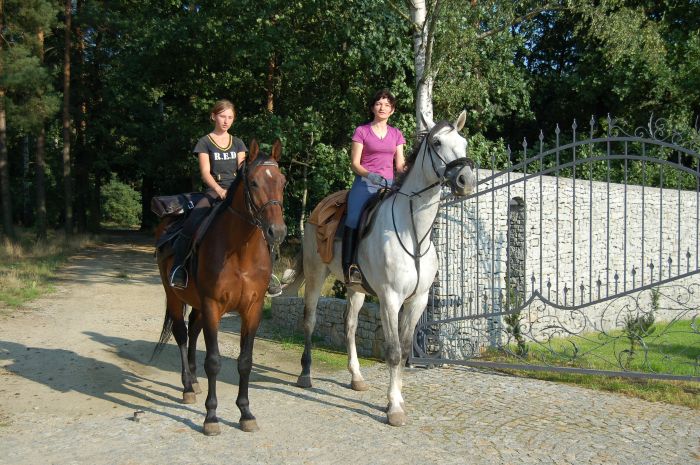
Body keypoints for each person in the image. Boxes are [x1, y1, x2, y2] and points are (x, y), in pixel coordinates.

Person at [169, 99, 282, 296]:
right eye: (222, 116)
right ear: (213, 116)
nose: (226, 121)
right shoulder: (204, 142)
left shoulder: (238, 143)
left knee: (262, 225)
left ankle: (268, 274)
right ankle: (180, 269)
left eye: (230, 117)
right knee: (192, 221)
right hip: (214, 190)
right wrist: (219, 190)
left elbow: (242, 169)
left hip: (238, 191)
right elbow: (205, 172)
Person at [343, 89, 406, 284]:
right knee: (354, 217)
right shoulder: (362, 131)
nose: (383, 107)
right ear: (372, 108)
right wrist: (370, 175)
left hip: (389, 185)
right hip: (365, 183)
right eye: (379, 103)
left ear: (392, 111)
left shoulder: (396, 134)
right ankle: (351, 266)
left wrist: (415, 170)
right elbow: (354, 163)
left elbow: (400, 165)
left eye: (387, 105)